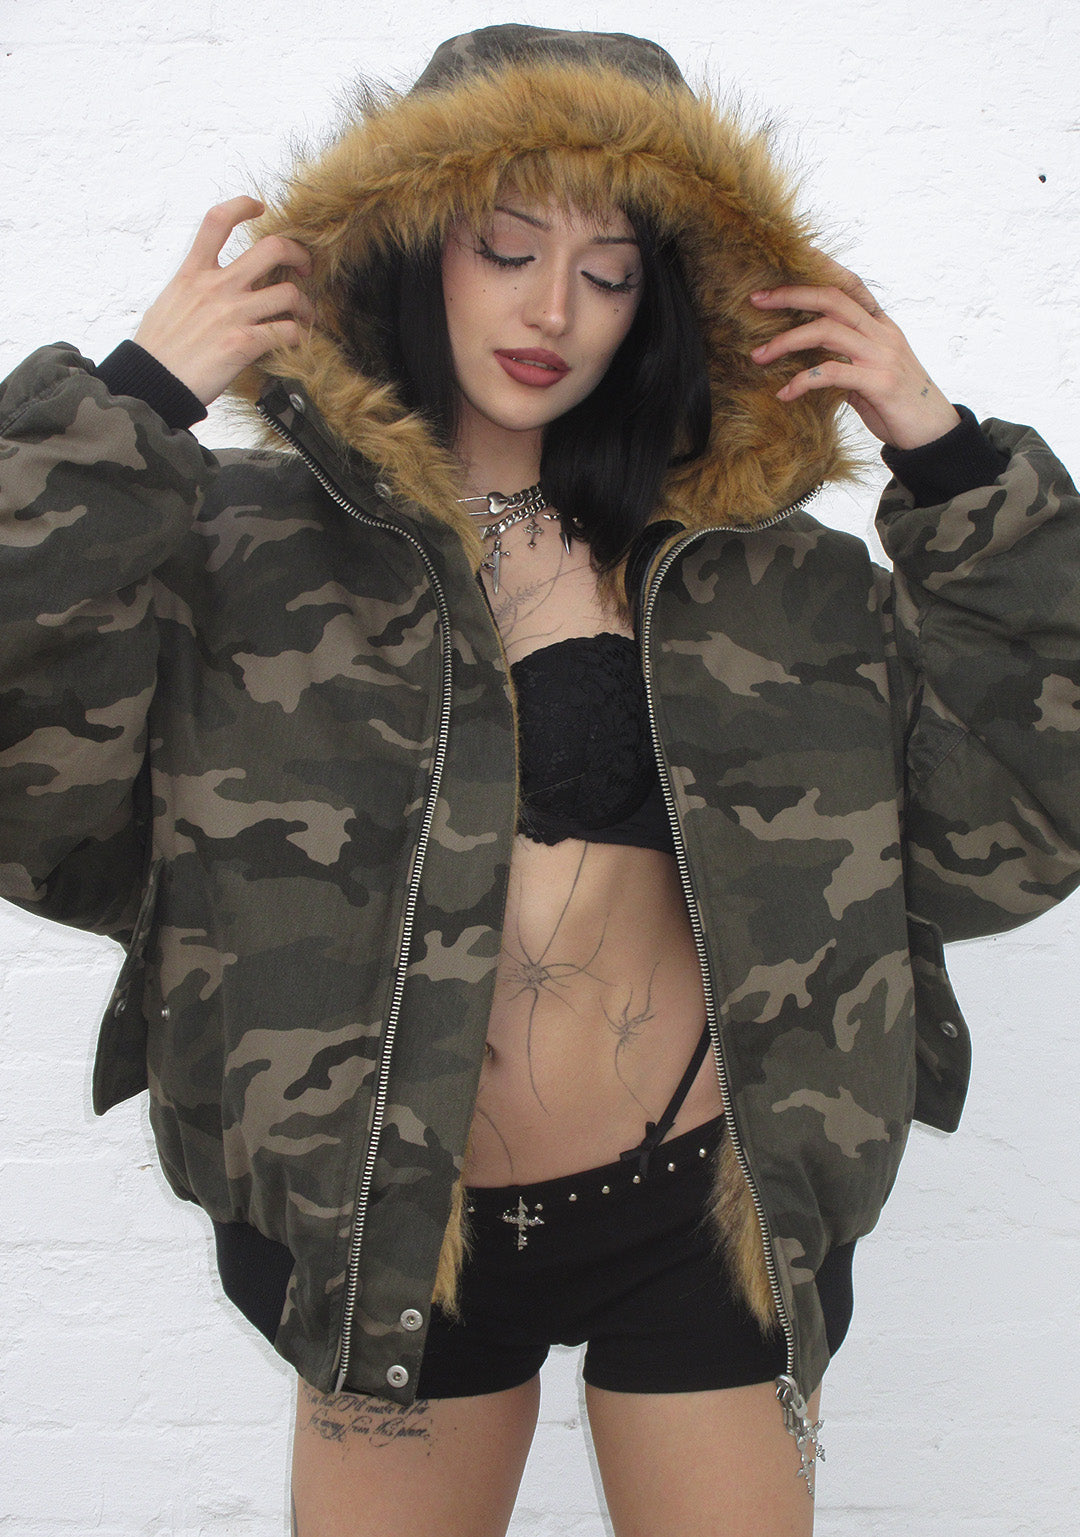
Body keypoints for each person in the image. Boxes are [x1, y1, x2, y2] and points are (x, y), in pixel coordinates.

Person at [2, 22, 1078, 1537]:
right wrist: (131, 401)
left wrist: (950, 463)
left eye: (610, 270)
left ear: (666, 299)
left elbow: (1028, 808)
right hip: (390, 1228)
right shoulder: (241, 553)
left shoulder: (773, 579)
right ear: (414, 244)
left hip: (707, 1211)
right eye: (505, 247)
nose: (553, 308)